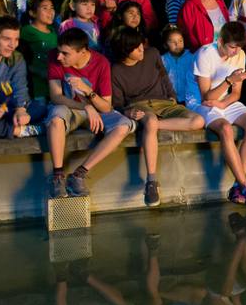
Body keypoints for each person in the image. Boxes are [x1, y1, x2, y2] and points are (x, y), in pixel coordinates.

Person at [108, 24, 206, 207]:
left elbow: (163, 77)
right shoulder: (116, 70)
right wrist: (128, 112)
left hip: (165, 103)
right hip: (140, 105)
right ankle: (151, 181)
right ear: (125, 51)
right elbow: (118, 104)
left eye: (140, 44)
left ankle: (152, 126)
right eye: (136, 48)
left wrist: (173, 97)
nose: (141, 49)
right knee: (151, 120)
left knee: (198, 120)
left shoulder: (152, 53)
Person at [44, 27, 137, 199]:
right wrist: (86, 107)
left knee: (123, 126)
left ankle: (79, 174)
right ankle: (57, 176)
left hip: (96, 112)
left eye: (65, 54)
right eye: (59, 52)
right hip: (70, 110)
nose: (59, 57)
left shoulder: (101, 63)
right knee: (56, 117)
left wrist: (88, 92)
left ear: (83, 52)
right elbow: (56, 97)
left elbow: (107, 107)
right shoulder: (54, 58)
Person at [194, 21, 246, 205]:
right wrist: (228, 81)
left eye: (239, 47)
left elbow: (236, 93)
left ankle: (237, 187)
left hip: (224, 100)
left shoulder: (239, 54)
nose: (235, 51)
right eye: (232, 47)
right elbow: (205, 96)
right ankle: (245, 185)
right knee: (225, 128)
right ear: (220, 41)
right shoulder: (205, 54)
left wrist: (223, 103)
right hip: (200, 103)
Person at [19, 0, 58, 99]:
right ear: (32, 13)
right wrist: (38, 71)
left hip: (53, 82)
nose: (50, 12)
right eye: (45, 8)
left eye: (52, 8)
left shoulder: (54, 31)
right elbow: (20, 58)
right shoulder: (26, 31)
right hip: (35, 84)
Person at [159, 24, 202, 112]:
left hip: (189, 98)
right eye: (172, 42)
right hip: (170, 99)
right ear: (165, 44)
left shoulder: (191, 57)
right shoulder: (162, 59)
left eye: (180, 41)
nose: (177, 44)